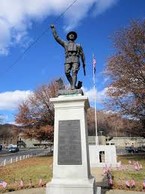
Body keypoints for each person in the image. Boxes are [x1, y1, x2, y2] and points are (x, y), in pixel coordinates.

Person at [50, 24, 86, 90]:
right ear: (68, 36)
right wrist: (53, 29)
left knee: (74, 72)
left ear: (74, 37)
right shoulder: (65, 43)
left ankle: (72, 87)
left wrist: (84, 63)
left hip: (76, 59)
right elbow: (57, 38)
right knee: (67, 72)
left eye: (73, 35)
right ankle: (73, 84)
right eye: (70, 34)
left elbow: (82, 55)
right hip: (68, 59)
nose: (71, 35)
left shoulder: (78, 45)